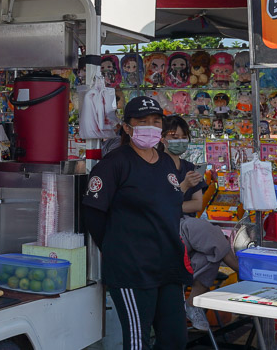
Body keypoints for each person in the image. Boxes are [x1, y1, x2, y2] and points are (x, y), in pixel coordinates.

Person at [82, 96, 192, 350]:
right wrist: (116, 248)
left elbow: (170, 206)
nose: (151, 127)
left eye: (156, 121)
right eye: (143, 121)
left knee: (175, 339)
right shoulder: (114, 164)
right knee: (137, 342)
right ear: (127, 127)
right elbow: (94, 215)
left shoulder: (165, 162)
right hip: (132, 270)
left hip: (168, 266)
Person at [161, 115, 239, 332]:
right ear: (162, 138)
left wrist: (176, 202)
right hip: (167, 226)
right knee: (208, 230)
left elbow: (196, 206)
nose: (179, 140)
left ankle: (192, 304)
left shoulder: (189, 166)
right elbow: (160, 206)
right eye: (173, 136)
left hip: (186, 226)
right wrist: (182, 188)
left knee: (209, 255)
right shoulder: (156, 164)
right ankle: (242, 272)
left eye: (183, 137)